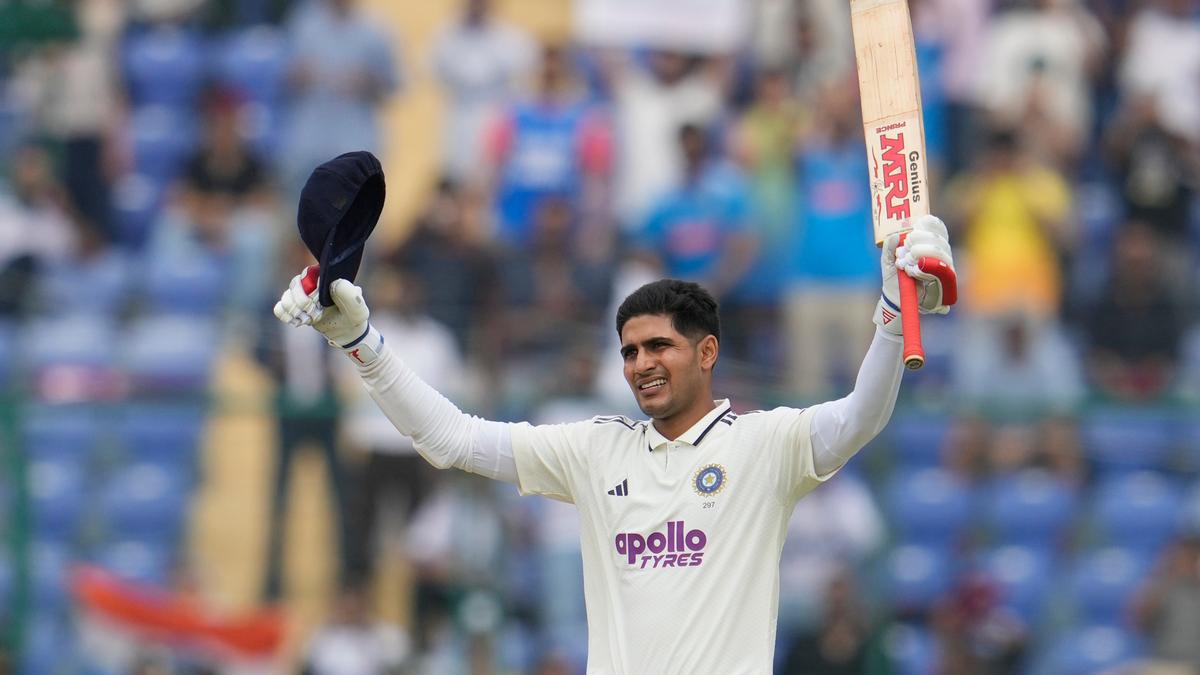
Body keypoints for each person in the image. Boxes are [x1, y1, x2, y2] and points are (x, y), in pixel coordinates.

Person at [273, 215, 957, 672]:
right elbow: (450, 438)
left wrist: (892, 317)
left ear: (707, 352)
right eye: (630, 351)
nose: (641, 364)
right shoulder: (597, 451)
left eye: (659, 346)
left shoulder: (764, 443)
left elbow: (861, 416)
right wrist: (359, 343)